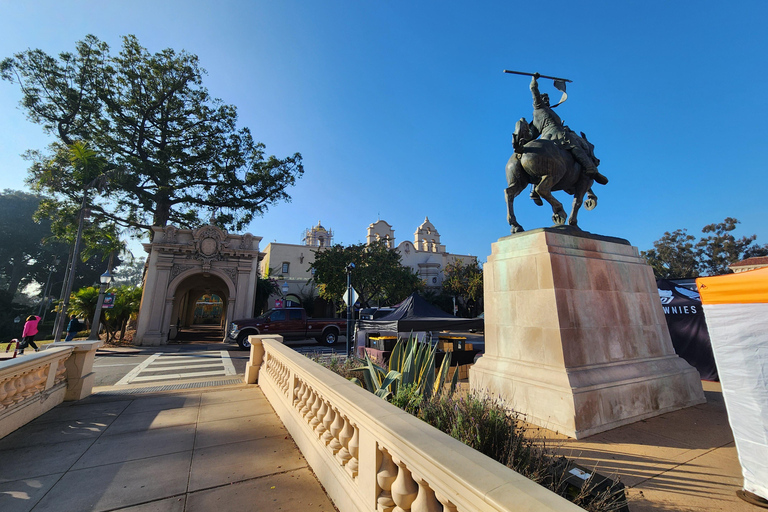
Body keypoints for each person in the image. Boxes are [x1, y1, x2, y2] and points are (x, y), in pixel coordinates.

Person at [529, 74, 609, 186]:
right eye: (544, 99)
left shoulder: (540, 115)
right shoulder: (539, 107)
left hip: (546, 137)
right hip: (557, 134)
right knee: (575, 146)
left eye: (548, 99)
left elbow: (532, 133)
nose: (547, 100)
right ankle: (590, 168)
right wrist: (534, 81)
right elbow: (534, 92)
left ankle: (534, 188)